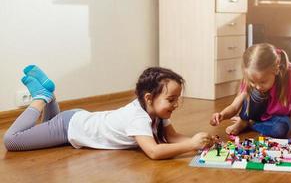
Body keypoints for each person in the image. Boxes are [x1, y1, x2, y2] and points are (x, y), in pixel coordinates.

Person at [4, 65, 212, 159]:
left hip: (78, 118)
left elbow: (172, 136)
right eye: (171, 99)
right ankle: (42, 97)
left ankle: (50, 95)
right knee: (12, 141)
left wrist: (202, 144)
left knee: (46, 126)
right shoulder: (138, 117)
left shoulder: (157, 112)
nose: (176, 105)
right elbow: (154, 152)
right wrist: (192, 144)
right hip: (69, 126)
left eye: (177, 99)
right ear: (149, 98)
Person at [210, 43, 291, 142]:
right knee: (255, 93)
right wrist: (222, 115)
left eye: (263, 82)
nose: (257, 86)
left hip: (277, 117)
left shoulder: (290, 73)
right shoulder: (253, 80)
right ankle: (244, 120)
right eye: (253, 82)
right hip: (255, 112)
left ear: (276, 69)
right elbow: (235, 106)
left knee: (280, 130)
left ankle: (249, 124)